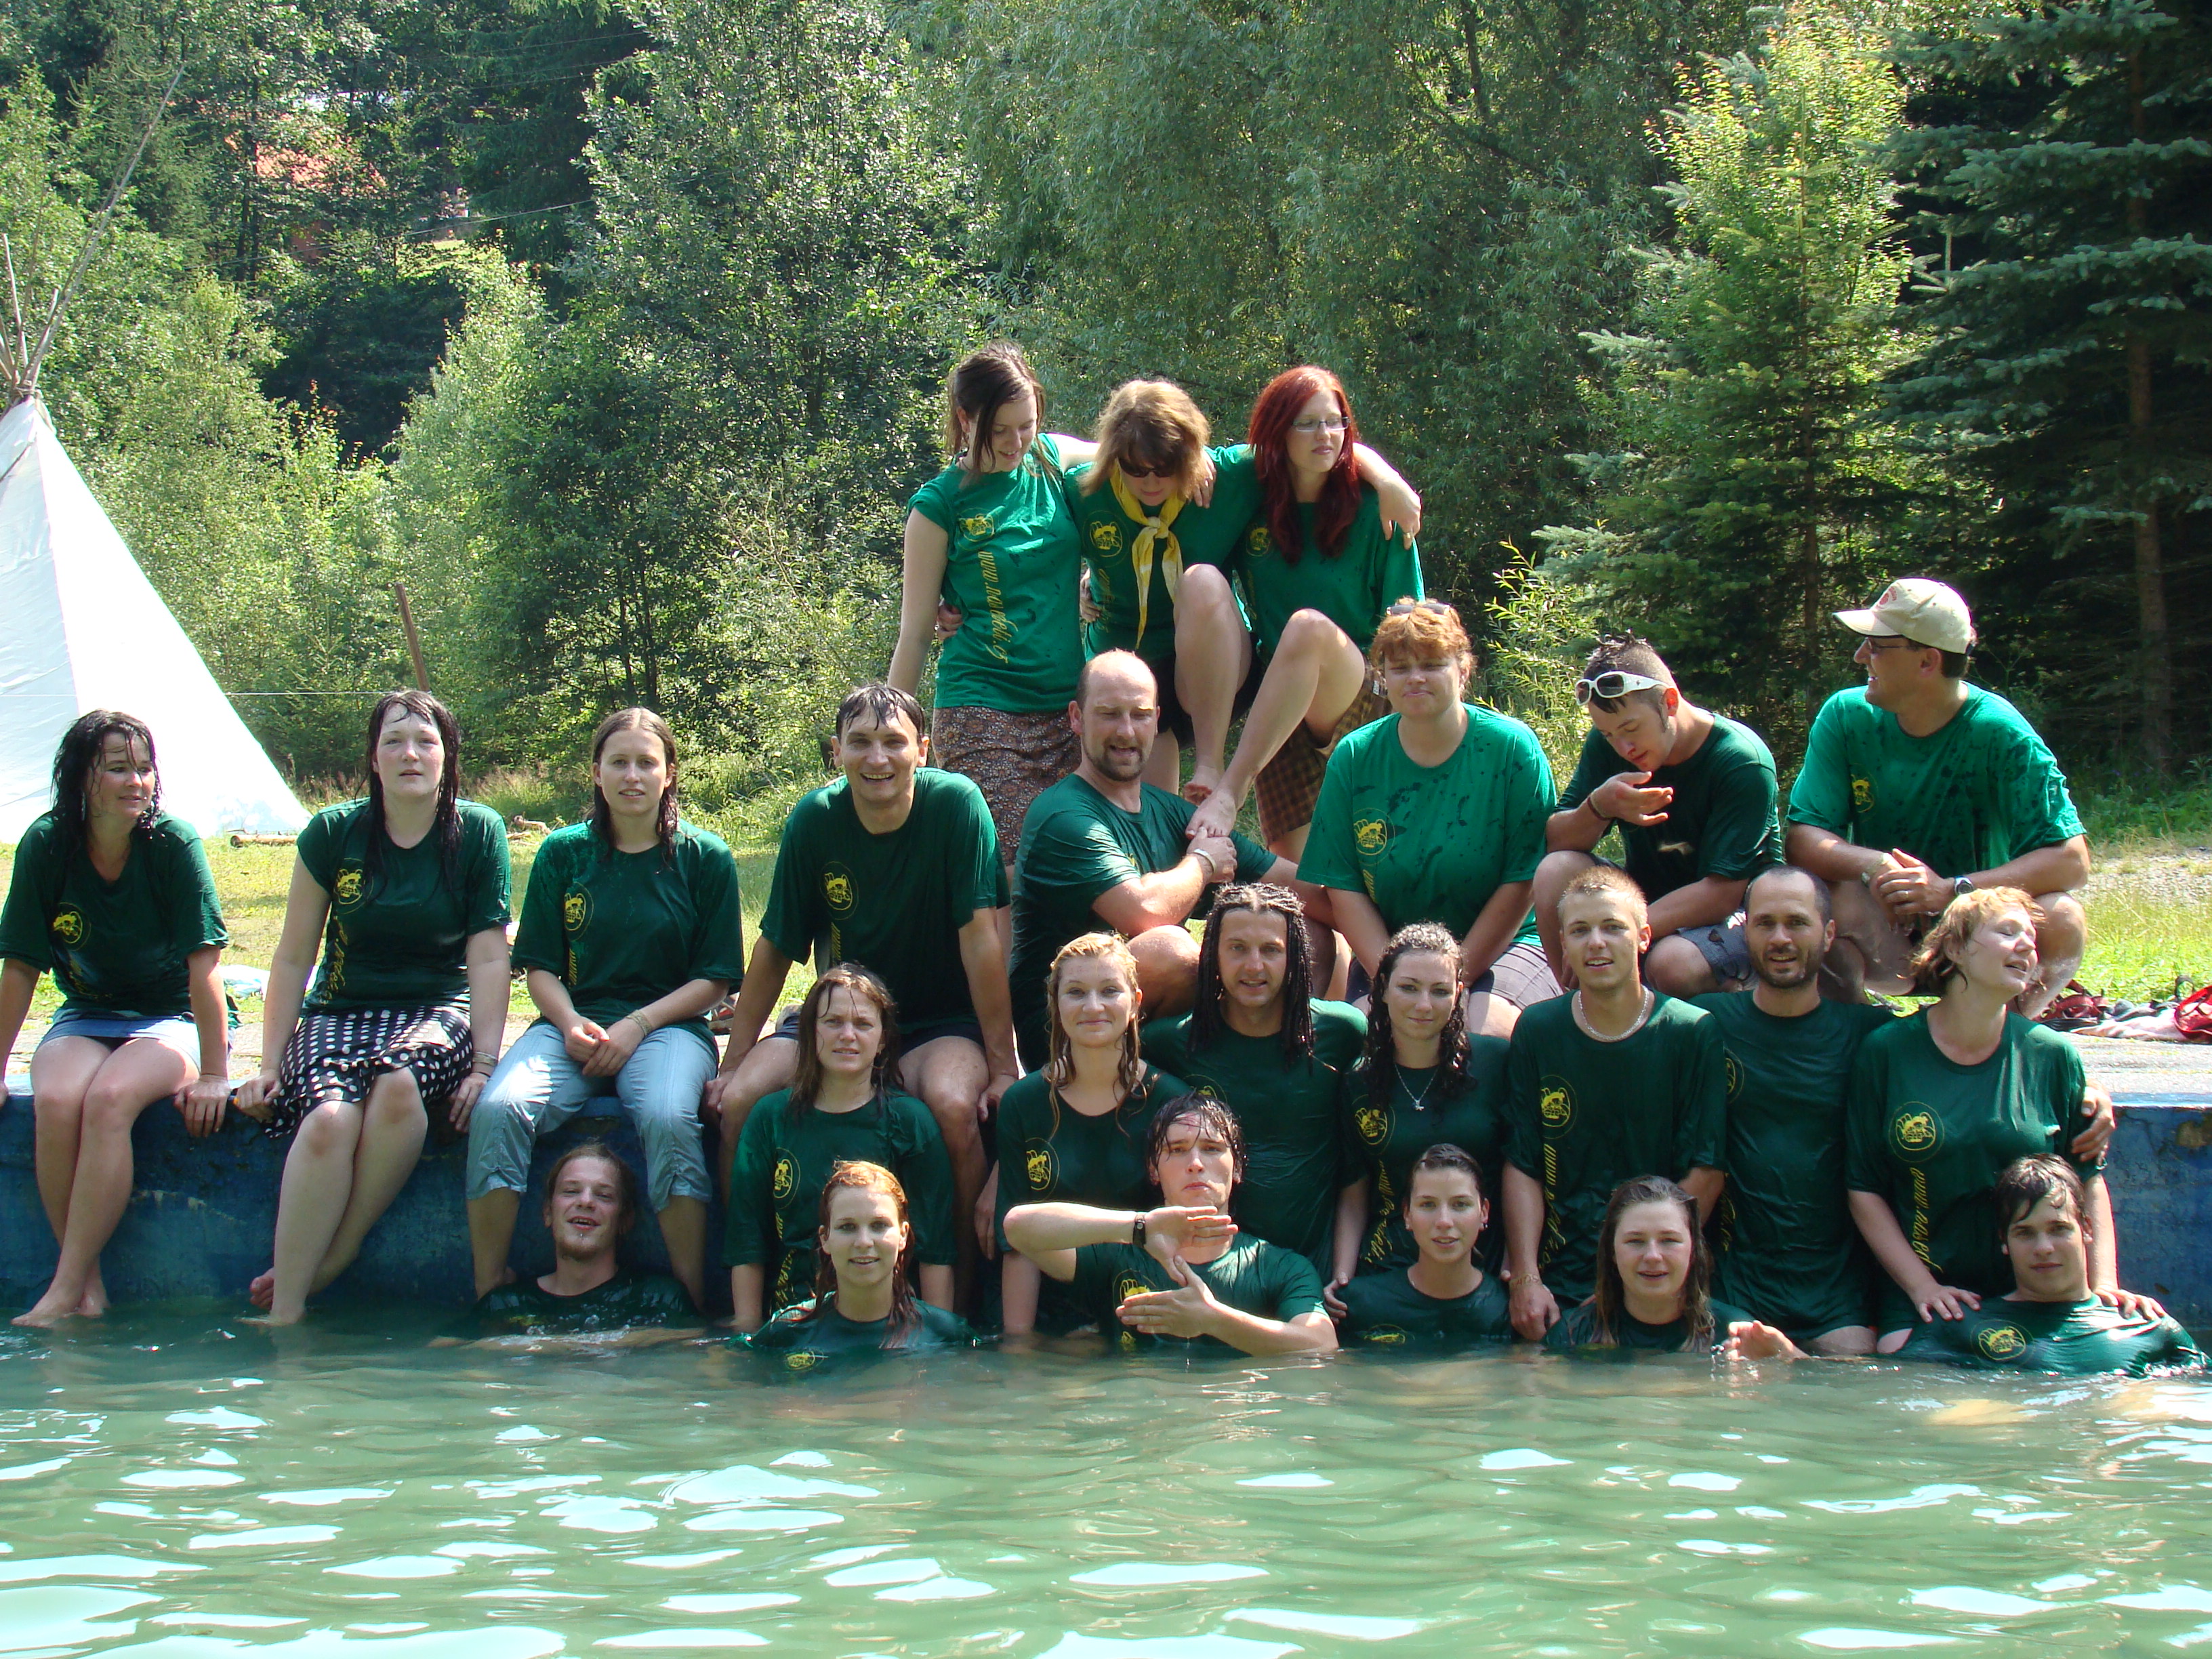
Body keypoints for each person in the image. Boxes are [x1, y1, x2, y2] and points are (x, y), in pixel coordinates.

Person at [708, 686, 1017, 1300]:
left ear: (922, 750)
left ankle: (963, 1298)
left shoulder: (957, 805)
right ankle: (745, 1291)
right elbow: (775, 947)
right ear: (837, 752)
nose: (878, 759)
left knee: (953, 1106)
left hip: (939, 1022)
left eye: (894, 742)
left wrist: (1003, 1066)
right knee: (739, 1102)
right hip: (840, 1017)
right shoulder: (815, 819)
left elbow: (983, 943)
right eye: (861, 743)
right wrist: (734, 1061)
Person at [235, 692, 511, 1325]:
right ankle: (286, 1312)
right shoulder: (333, 833)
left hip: (439, 1009)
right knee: (328, 1121)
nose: (410, 754)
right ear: (373, 757)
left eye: (426, 741)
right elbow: (292, 958)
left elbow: (489, 959)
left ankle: (341, 1249)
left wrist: (484, 1065)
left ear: (447, 755)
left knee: (397, 1087)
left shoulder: (478, 832)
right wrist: (269, 1063)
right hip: (339, 1011)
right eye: (394, 741)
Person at [466, 709, 741, 1309]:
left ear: (670, 773)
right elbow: (539, 967)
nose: (632, 776)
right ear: (596, 772)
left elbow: (715, 979)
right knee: (501, 1109)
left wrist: (638, 1024)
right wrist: (569, 1024)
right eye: (619, 762)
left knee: (668, 1118)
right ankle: (489, 1291)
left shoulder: (705, 857)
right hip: (572, 1025)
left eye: (646, 763)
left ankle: (688, 1302)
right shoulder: (563, 853)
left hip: (670, 1028)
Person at [1067, 378, 1421, 797]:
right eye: (1135, 469)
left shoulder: (1227, 477)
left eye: (1166, 467)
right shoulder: (1084, 491)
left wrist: (1389, 480)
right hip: (1128, 666)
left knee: (1202, 580)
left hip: (1213, 666)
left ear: (1191, 455)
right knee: (1146, 811)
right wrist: (1083, 583)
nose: (1150, 481)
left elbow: (1317, 444)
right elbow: (1037, 479)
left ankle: (1211, 766)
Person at [1, 713, 230, 1326]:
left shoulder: (173, 844)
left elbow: (204, 966)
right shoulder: (47, 843)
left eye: (145, 769)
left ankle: (62, 1288)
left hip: (170, 1016)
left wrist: (215, 1075)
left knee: (109, 1099)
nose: (137, 782)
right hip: (86, 1012)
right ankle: (88, 1286)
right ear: (83, 778)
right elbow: (20, 967)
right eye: (119, 768)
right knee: (56, 1099)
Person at [1784, 578, 2090, 1016]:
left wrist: (1949, 890)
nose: (1860, 656)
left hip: (1983, 933)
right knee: (1813, 897)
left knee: (2062, 918)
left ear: (1928, 660)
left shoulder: (2001, 732)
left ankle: (1997, 1034)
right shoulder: (1845, 715)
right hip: (1887, 929)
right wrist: (1876, 867)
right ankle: (1857, 1038)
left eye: (1877, 646)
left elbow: (2071, 861)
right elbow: (1804, 838)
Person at [1845, 886, 2117, 1353]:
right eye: (2008, 932)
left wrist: (2104, 1287)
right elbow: (1863, 1189)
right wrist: (1922, 1288)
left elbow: (2088, 1179)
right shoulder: (1887, 1052)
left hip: (2033, 1293)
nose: (2027, 946)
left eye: (2031, 938)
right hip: (1926, 1298)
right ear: (1954, 948)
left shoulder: (2051, 1054)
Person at [1008, 651, 1294, 1066]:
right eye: (1109, 714)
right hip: (1060, 1030)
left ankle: (1287, 1069)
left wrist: (1350, 892)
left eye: (1140, 715)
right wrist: (1203, 862)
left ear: (1156, 720)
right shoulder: (1063, 816)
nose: (1126, 730)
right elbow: (1144, 913)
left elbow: (1295, 884)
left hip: (1135, 1016)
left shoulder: (1169, 811)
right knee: (1171, 950)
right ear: (1076, 718)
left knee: (1312, 933)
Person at [1186, 366, 1425, 858]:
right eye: (1309, 423)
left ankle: (1229, 791)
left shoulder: (1377, 506)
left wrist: (1389, 478)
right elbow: (1160, 470)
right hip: (1279, 707)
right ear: (1279, 432)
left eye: (1335, 422)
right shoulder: (1250, 496)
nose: (1326, 435)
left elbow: (1410, 624)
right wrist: (1097, 579)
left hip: (1364, 689)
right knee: (1306, 882)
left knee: (1308, 629)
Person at [1299, 598, 1558, 1032]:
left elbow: (1523, 882)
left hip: (1507, 944)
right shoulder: (1355, 756)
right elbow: (1344, 888)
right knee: (1363, 1036)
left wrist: (1450, 982)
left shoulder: (1512, 748)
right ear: (1382, 676)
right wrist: (1396, 980)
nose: (1415, 677)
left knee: (1479, 1034)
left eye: (1433, 664)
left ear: (1463, 669)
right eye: (1400, 668)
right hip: (1393, 950)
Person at [888, 342, 1099, 872]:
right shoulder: (938, 506)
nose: (1016, 442)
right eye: (999, 430)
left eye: (1026, 425)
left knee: (1082, 868)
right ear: (965, 419)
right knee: (1015, 870)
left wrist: (1102, 572)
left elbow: (1133, 457)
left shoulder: (1049, 460)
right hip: (981, 711)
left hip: (1068, 712)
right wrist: (891, 732)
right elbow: (916, 632)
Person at [1502, 866, 1725, 1338]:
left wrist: (1632, 1282)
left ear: (1643, 937)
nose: (1596, 943)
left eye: (1612, 927)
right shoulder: (1538, 1030)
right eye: (1580, 931)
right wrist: (1526, 1278)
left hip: (1657, 1280)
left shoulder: (1690, 1031)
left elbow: (1706, 1171)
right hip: (1559, 1285)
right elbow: (1523, 1164)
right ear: (1563, 944)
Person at [1729, 1158, 2199, 1375]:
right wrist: (1790, 1359)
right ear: (2003, 1244)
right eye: (2025, 1233)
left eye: (2059, 1229)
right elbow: (1877, 1391)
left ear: (2087, 1231)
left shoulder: (2149, 1328)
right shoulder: (1965, 1327)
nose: (2044, 1248)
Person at [1693, 867, 1893, 1355]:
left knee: (1849, 1371)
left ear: (1828, 933)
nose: (1780, 938)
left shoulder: (1872, 1035)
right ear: (1745, 932)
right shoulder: (1704, 1024)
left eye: (1797, 923)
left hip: (1837, 1294)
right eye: (1765, 923)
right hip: (1735, 1286)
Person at [1533, 636, 1782, 998]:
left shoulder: (1741, 761)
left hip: (1738, 913)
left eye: (1631, 729)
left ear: (1669, 702)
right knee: (1556, 870)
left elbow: (1722, 893)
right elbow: (1556, 841)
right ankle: (1580, 1001)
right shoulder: (1611, 745)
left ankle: (1735, 1006)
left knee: (1672, 964)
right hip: (1645, 900)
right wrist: (1600, 807)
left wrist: (1626, 929)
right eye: (1608, 734)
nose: (1624, 748)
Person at [1141, 883, 1366, 1275]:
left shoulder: (1341, 1033)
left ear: (1294, 956)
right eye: (1238, 948)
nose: (1254, 966)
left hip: (1315, 1272)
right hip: (1204, 1271)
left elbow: (1361, 1163)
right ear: (1213, 953)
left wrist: (1345, 1273)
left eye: (1271, 950)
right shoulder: (1169, 1044)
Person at [1004, 1094, 1338, 1356]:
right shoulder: (1120, 1255)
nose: (1195, 1164)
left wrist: (1214, 1319)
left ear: (1237, 1168)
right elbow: (1018, 1228)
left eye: (1212, 1149)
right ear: (1153, 1170)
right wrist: (1138, 1228)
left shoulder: (1279, 1267)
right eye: (1177, 1150)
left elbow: (1322, 1345)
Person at [723, 966, 956, 1329]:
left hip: (889, 1324)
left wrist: (937, 1337)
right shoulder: (770, 1119)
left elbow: (936, 1249)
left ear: (882, 1039)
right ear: (810, 1031)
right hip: (794, 1324)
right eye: (833, 1022)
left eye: (863, 1024)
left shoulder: (910, 1122)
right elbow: (746, 1240)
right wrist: (749, 1333)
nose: (848, 1035)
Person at [994, 933, 1188, 1334]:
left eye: (1110, 991)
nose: (1093, 1006)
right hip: (1053, 1320)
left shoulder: (1172, 1101)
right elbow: (1017, 1246)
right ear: (1055, 1003)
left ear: (1135, 1003)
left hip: (1144, 1311)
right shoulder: (1022, 1104)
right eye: (1076, 992)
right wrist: (1020, 1349)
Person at [1329, 925, 1510, 1306]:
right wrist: (1343, 1275)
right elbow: (1354, 1188)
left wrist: (1521, 1269)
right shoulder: (1358, 1082)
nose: (1424, 1005)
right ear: (1382, 989)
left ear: (1459, 994)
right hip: (1388, 1267)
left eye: (1440, 991)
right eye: (1409, 988)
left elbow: (1522, 1170)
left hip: (1484, 1271)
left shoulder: (1496, 1063)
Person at [744, 1162, 983, 1368]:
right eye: (847, 1227)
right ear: (825, 1239)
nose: (863, 1242)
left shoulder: (947, 1335)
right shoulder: (785, 1333)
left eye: (879, 1226)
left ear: (903, 1235)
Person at [462, 1143, 701, 1338]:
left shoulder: (659, 1301)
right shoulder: (505, 1307)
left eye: (604, 1195)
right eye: (571, 1191)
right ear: (548, 1213)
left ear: (624, 1220)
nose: (586, 1202)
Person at [1335, 1145, 1517, 1349]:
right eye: (1428, 1205)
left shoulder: (1512, 1309)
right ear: (1407, 1214)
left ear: (1484, 1213)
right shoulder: (1357, 1304)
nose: (1444, 1221)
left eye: (1460, 1204)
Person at [1545, 1176, 1753, 1354]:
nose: (1653, 1256)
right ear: (1612, 1251)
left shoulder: (1736, 1335)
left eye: (1669, 1240)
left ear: (1693, 1250)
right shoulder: (1570, 1336)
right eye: (1635, 1241)